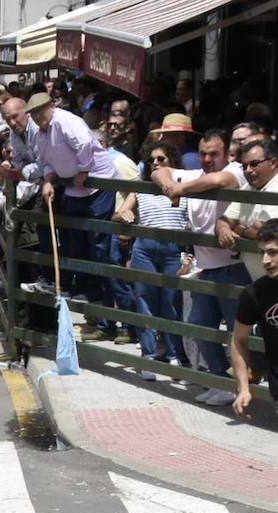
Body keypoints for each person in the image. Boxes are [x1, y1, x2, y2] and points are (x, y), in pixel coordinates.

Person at [152, 128, 250, 405]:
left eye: (213, 154)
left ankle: (240, 387)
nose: (207, 159)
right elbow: (159, 172)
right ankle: (220, 381)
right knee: (198, 326)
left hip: (234, 267)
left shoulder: (236, 171)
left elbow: (220, 179)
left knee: (238, 334)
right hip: (207, 268)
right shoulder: (197, 175)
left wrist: (180, 188)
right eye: (204, 154)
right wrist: (170, 185)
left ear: (226, 153)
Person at [30, 91, 118, 308]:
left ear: (51, 106)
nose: (37, 116)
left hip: (98, 183)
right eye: (33, 114)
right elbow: (47, 162)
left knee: (97, 244)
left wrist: (84, 170)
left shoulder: (65, 120)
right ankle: (82, 290)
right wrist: (49, 180)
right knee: (74, 241)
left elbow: (84, 144)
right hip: (72, 187)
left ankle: (99, 296)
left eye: (40, 111)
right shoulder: (41, 133)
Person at [115, 143, 188, 379]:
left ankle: (174, 354)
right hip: (144, 249)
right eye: (151, 160)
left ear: (172, 162)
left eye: (161, 159)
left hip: (172, 249)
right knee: (145, 302)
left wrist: (190, 253)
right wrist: (124, 214)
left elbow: (193, 221)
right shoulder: (141, 188)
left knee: (171, 303)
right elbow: (118, 213)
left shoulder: (183, 187)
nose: (155, 163)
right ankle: (148, 357)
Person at [230, 220, 278, 422]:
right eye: (262, 253)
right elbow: (238, 340)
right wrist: (243, 388)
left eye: (273, 252)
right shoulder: (254, 293)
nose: (265, 260)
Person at [218, 139, 278, 281]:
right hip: (260, 282)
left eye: (254, 164)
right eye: (244, 166)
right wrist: (224, 230)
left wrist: (239, 230)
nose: (248, 170)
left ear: (274, 163)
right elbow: (223, 220)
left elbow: (265, 233)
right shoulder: (247, 188)